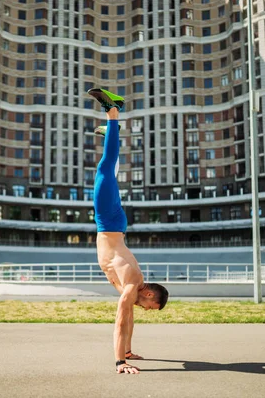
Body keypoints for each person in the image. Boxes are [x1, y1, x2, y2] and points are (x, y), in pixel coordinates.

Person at [88, 88, 169, 375]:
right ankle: (113, 111)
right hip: (109, 222)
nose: (147, 311)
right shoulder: (133, 285)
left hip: (113, 225)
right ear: (149, 295)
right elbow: (121, 321)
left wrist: (129, 350)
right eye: (151, 307)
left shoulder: (133, 288)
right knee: (105, 170)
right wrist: (120, 362)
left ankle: (110, 132)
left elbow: (130, 318)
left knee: (108, 174)